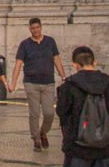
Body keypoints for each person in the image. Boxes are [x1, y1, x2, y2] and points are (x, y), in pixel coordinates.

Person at [8, 17, 67, 151]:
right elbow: (18, 65)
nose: (35, 30)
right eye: (33, 28)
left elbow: (56, 59)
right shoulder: (25, 44)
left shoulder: (50, 42)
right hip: (31, 83)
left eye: (37, 27)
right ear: (30, 29)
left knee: (49, 113)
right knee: (34, 113)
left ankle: (43, 132)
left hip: (48, 83)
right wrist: (13, 83)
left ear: (41, 27)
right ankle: (36, 139)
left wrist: (63, 77)